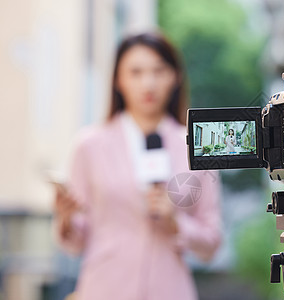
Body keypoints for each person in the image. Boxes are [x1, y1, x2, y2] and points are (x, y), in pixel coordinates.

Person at [53, 32, 222, 300]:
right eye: (136, 72)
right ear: (118, 80)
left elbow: (212, 242)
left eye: (159, 70)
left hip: (171, 290)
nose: (148, 83)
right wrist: (65, 219)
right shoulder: (89, 145)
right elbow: (75, 244)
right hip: (104, 289)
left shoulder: (198, 146)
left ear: (176, 77)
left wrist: (176, 224)